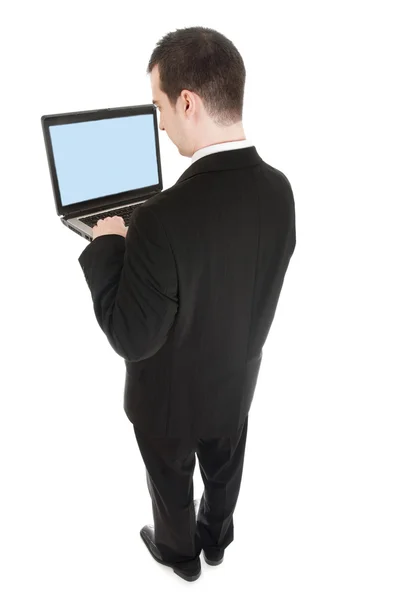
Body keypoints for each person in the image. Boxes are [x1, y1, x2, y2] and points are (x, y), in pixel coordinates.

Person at [78, 26, 296, 582]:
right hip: (234, 381)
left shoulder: (158, 218)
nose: (161, 123)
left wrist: (107, 246)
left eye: (159, 106)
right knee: (225, 469)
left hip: (167, 397)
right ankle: (217, 540)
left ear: (188, 102)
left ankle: (180, 554)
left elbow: (131, 335)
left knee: (170, 481)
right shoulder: (280, 191)